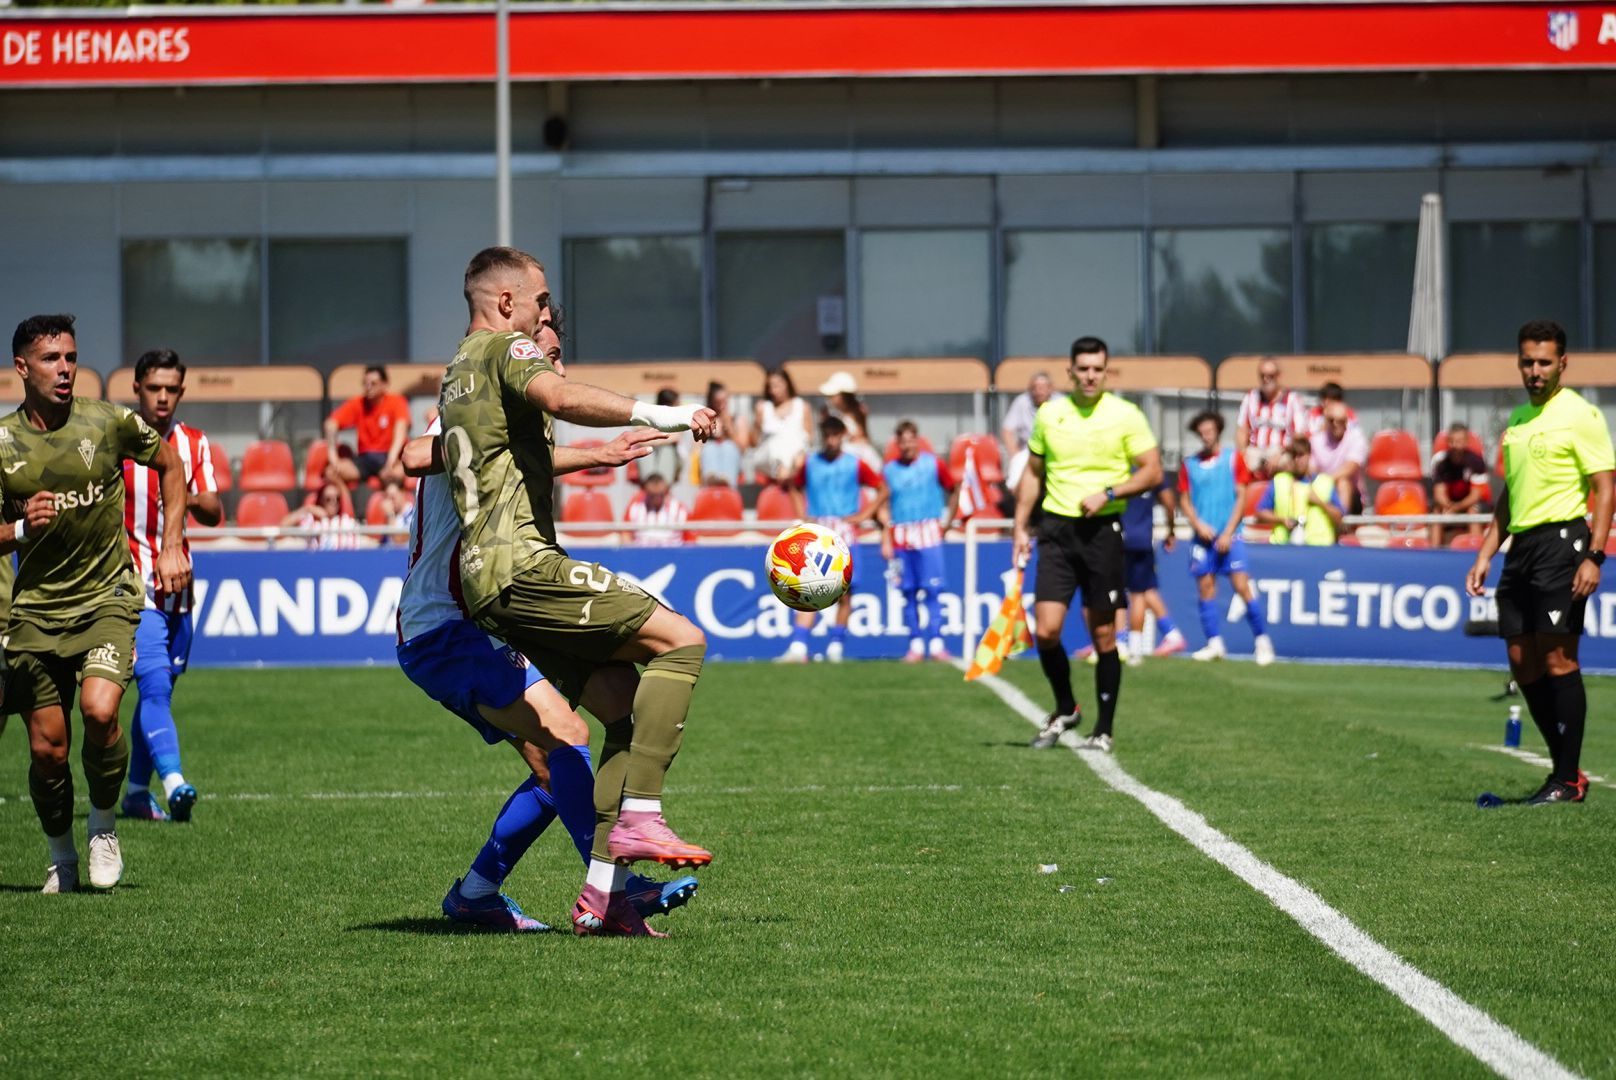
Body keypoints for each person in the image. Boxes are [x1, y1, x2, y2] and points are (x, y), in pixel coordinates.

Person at [438, 246, 717, 936]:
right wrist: (667, 413)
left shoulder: (456, 371)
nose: (541, 315)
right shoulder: (505, 345)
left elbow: (505, 452)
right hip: (523, 566)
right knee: (682, 641)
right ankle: (643, 819)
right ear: (505, 303)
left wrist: (592, 455)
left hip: (489, 585)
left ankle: (603, 895)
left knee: (621, 708)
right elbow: (559, 396)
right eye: (537, 300)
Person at [398, 395, 697, 931]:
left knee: (552, 762)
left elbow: (515, 457)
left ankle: (477, 893)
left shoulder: (500, 421)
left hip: (470, 624)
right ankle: (611, 894)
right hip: (444, 627)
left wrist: (599, 452)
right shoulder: (473, 405)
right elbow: (415, 454)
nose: (551, 374)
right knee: (567, 734)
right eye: (545, 356)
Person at [1, 314, 192, 893]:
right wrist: (20, 530)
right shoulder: (3, 443)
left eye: (70, 357)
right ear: (22, 368)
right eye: (51, 359)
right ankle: (60, 854)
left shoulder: (108, 422)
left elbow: (170, 464)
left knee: (102, 711)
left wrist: (172, 544)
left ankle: (104, 826)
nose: (65, 369)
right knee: (47, 751)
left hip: (108, 596)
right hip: (36, 612)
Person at [1466, 319, 1613, 805]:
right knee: (1519, 660)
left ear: (1562, 363)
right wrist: (1486, 553)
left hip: (1564, 544)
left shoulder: (1581, 414)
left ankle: (1566, 780)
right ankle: (1564, 774)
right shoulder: (1519, 421)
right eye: (1527, 361)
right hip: (1521, 549)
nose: (1535, 370)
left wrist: (1595, 555)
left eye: (1544, 361)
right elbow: (1510, 497)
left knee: (1558, 658)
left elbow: (1605, 488)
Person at [1014, 336, 1162, 753]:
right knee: (1045, 631)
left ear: (1106, 370)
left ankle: (1104, 729)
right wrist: (1020, 526)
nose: (1091, 375)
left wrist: (1111, 492)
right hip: (1057, 533)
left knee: (1103, 636)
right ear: (1071, 372)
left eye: (1098, 368)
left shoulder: (1125, 415)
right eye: (1084, 368)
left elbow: (1152, 472)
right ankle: (1065, 706)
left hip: (1102, 533)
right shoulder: (1051, 414)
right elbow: (1032, 473)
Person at [119, 348, 222, 824]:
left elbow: (215, 511)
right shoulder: (116, 440)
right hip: (132, 581)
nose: (162, 397)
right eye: (153, 388)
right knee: (155, 685)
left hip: (179, 584)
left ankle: (137, 794)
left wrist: (193, 499)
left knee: (160, 691)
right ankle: (176, 781)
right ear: (137, 389)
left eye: (171, 389)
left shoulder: (194, 444)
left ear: (181, 392)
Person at [778, 415, 883, 664]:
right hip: (818, 532)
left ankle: (836, 644)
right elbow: (793, 486)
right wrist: (802, 515)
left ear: (842, 436)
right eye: (828, 435)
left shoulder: (854, 464)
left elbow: (882, 487)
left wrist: (864, 515)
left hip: (845, 530)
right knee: (808, 587)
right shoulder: (812, 463)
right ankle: (799, 645)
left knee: (845, 592)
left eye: (836, 435)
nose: (832, 440)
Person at [1177, 410, 1276, 665]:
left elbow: (1241, 496)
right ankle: (1214, 643)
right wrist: (1197, 524)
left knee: (1242, 586)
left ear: (1217, 431)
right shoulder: (1190, 464)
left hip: (1231, 536)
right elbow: (1184, 500)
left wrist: (1229, 532)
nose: (1206, 435)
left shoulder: (1233, 459)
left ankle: (1262, 641)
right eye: (1202, 432)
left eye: (1209, 430)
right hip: (1203, 538)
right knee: (1205, 588)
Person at [874, 420, 960, 663]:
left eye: (911, 439)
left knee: (933, 589)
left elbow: (954, 488)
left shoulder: (933, 464)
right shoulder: (889, 470)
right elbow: (881, 504)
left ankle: (935, 642)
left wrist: (947, 522)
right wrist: (885, 537)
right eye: (902, 440)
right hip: (900, 535)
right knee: (908, 591)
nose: (907, 444)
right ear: (898, 444)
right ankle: (914, 643)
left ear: (917, 440)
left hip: (928, 531)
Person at [1119, 479, 1186, 664]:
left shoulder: (1119, 467)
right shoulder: (1153, 471)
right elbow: (1169, 501)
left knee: (1127, 593)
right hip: (1143, 539)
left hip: (1119, 537)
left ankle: (1124, 644)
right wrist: (1171, 529)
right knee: (1142, 591)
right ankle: (1141, 645)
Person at [323, 364, 411, 489]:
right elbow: (330, 424)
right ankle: (347, 505)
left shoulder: (396, 402)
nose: (368, 387)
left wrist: (390, 461)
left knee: (398, 474)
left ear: (384, 384)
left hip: (388, 456)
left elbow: (401, 429)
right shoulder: (358, 403)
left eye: (373, 383)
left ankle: (393, 506)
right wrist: (333, 457)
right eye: (365, 383)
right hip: (364, 459)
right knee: (331, 473)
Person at [1256, 436, 1344, 546]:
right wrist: (1282, 520)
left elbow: (1339, 518)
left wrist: (1320, 503)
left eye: (1301, 455)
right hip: (1283, 547)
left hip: (1319, 548)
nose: (1297, 460)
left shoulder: (1324, 482)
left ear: (1309, 455)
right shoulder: (1279, 481)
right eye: (1294, 456)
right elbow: (1260, 512)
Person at [1235, 359, 1305, 475]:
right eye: (1262, 376)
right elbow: (1242, 430)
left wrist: (1281, 453)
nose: (1266, 379)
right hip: (1255, 450)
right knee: (1239, 464)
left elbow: (1298, 436)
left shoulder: (1293, 399)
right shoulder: (1251, 397)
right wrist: (1243, 452)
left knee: (1286, 463)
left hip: (1281, 450)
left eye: (1270, 376)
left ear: (1279, 376)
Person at [1429, 422, 1491, 547]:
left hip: (1470, 503)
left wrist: (1457, 508)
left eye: (1460, 441)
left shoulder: (1477, 462)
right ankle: (1433, 550)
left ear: (1466, 442)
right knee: (1436, 510)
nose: (1456, 445)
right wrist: (1449, 506)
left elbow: (1476, 495)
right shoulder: (1440, 461)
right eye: (1452, 441)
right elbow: (1439, 494)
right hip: (1448, 503)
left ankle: (1476, 550)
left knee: (1473, 510)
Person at [751, 369, 811, 491]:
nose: (774, 390)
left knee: (795, 446)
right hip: (769, 458)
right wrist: (757, 423)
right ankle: (787, 477)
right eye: (770, 387)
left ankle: (786, 477)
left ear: (787, 384)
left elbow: (808, 439)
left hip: (795, 457)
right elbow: (754, 442)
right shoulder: (763, 408)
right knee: (777, 441)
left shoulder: (802, 406)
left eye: (777, 385)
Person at [1309, 399, 1368, 517]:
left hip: (1352, 496)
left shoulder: (1356, 438)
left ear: (1346, 421)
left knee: (1343, 481)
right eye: (1331, 420)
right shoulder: (1316, 440)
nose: (1336, 424)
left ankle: (1342, 524)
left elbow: (1350, 467)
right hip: (1322, 490)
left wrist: (1325, 481)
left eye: (1341, 421)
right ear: (1325, 421)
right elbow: (1311, 470)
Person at [818, 371, 880, 469]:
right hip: (837, 455)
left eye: (834, 395)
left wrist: (858, 439)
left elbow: (864, 436)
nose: (830, 398)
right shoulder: (826, 413)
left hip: (858, 454)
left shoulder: (859, 411)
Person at [282, 480, 363, 550]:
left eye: (337, 499)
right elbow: (283, 527)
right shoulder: (312, 521)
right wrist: (308, 509)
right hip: (316, 563)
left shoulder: (347, 522)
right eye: (328, 499)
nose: (333, 502)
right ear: (321, 500)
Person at [695, 381, 744, 487]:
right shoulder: (704, 419)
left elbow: (742, 449)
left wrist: (729, 428)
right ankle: (711, 478)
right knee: (710, 448)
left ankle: (726, 480)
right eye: (718, 402)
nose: (722, 406)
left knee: (728, 447)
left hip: (732, 458)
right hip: (710, 458)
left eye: (724, 401)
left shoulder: (737, 419)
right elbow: (697, 447)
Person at [623, 472, 690, 548]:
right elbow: (625, 534)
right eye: (652, 495)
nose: (656, 499)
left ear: (666, 491)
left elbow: (690, 539)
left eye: (660, 495)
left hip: (673, 553)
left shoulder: (680, 510)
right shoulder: (635, 508)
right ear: (645, 492)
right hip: (642, 553)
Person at [1000, 371, 1055, 460]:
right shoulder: (1021, 402)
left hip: (1053, 454)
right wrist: (1016, 456)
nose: (1038, 391)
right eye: (1035, 388)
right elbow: (1007, 431)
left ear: (1051, 388)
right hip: (1026, 454)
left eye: (1042, 387)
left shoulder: (1060, 402)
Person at [641, 388, 684, 490]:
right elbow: (640, 439)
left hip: (673, 456)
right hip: (653, 456)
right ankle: (651, 484)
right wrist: (663, 439)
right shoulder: (648, 416)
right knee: (647, 450)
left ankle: (661, 486)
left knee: (666, 450)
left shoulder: (680, 419)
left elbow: (675, 438)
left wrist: (653, 439)